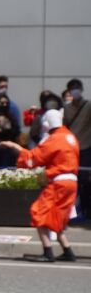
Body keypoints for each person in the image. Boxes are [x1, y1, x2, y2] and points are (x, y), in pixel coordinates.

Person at [0, 110, 79, 262]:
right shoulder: (70, 137)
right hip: (71, 183)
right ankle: (67, 250)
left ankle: (48, 251)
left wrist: (16, 148)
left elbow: (34, 158)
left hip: (59, 183)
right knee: (57, 217)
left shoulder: (54, 139)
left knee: (38, 213)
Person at [62, 78, 91, 219]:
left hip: (86, 148)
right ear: (69, 91)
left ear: (81, 89)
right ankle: (72, 212)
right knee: (72, 181)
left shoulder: (88, 106)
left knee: (85, 180)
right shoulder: (66, 108)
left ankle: (86, 210)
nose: (75, 90)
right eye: (72, 88)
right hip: (70, 149)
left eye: (77, 87)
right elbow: (64, 128)